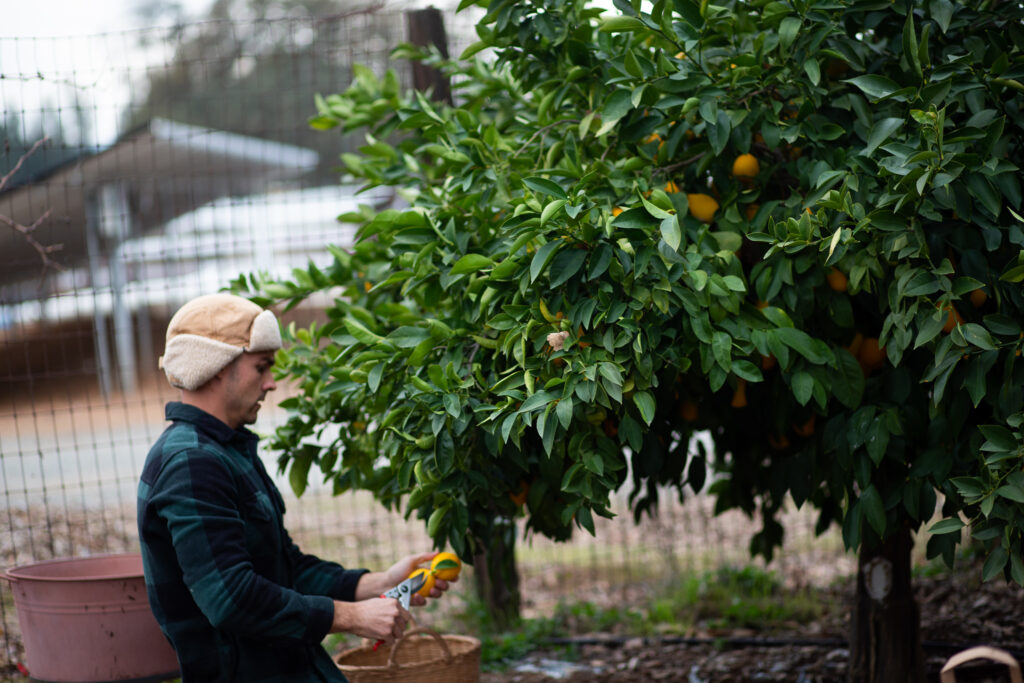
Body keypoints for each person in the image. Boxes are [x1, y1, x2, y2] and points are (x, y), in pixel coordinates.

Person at [137, 293, 451, 682]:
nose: (271, 383)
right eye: (262, 366)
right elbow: (231, 599)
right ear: (217, 366)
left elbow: (285, 568)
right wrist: (351, 617)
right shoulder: (192, 463)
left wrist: (378, 584)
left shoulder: (225, 450)